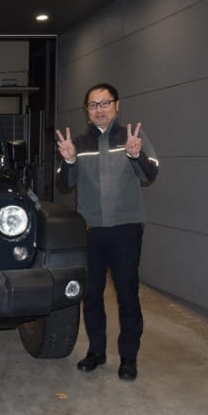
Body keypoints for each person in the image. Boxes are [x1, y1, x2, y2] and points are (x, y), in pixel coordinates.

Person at [56, 82, 158, 381]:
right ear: (87, 111)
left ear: (116, 105)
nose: (99, 109)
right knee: (92, 294)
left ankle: (128, 357)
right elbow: (65, 183)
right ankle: (96, 351)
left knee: (127, 295)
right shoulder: (78, 142)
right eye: (93, 105)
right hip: (91, 231)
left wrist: (136, 154)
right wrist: (69, 160)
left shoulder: (132, 138)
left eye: (104, 103)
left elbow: (150, 173)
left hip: (126, 229)